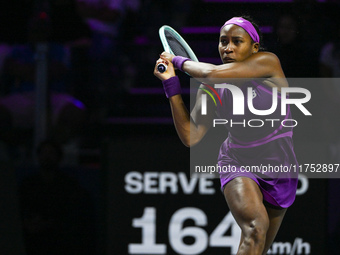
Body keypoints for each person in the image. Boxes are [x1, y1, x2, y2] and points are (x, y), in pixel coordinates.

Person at [154, 16, 298, 255]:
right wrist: (171, 87)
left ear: (254, 46)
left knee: (257, 248)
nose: (228, 47)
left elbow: (211, 73)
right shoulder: (212, 86)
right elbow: (191, 136)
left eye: (236, 41)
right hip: (238, 162)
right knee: (255, 229)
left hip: (281, 169)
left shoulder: (268, 62)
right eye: (223, 41)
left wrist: (177, 61)